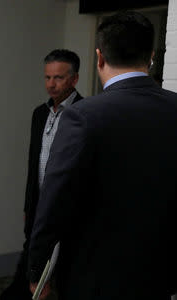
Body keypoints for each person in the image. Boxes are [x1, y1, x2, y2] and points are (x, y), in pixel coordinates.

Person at [28, 11, 177, 300]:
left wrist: (38, 270)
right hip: (160, 271)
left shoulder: (82, 116)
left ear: (99, 58)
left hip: (96, 276)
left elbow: (53, 201)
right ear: (151, 57)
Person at [0, 49, 82, 300]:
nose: (51, 84)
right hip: (38, 206)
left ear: (74, 79)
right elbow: (33, 163)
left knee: (64, 270)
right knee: (30, 266)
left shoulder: (85, 113)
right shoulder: (40, 113)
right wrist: (28, 205)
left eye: (58, 78)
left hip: (67, 208)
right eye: (47, 77)